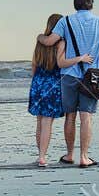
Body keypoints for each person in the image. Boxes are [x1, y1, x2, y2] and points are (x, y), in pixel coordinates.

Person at [39, 0, 99, 167]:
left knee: (70, 117)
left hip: (69, 75)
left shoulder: (65, 21)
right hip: (92, 75)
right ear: (91, 4)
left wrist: (39, 37)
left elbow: (50, 42)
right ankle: (84, 157)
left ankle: (70, 154)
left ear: (75, 4)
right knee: (86, 117)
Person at [29, 12, 82, 166]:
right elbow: (62, 64)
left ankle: (40, 154)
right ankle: (42, 157)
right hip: (53, 83)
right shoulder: (61, 43)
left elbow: (34, 63)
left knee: (39, 121)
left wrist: (36, 80)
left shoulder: (40, 42)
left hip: (38, 81)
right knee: (47, 122)